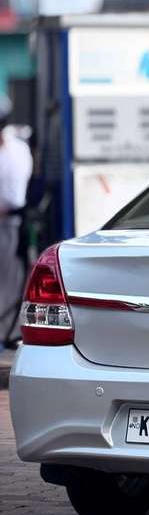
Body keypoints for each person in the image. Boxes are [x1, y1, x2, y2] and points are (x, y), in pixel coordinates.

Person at [0, 95, 32, 339]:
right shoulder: (17, 148)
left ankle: (7, 335)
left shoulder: (17, 149)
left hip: (12, 223)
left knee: (11, 282)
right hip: (11, 223)